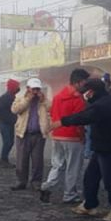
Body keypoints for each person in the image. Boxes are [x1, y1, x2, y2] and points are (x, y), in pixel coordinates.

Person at [52, 78, 111, 221]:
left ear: (92, 91)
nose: (85, 95)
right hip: (104, 146)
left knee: (110, 179)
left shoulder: (100, 106)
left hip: (108, 147)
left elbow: (83, 117)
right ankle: (90, 205)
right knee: (91, 176)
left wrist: (61, 122)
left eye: (87, 92)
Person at [38, 69, 89, 200]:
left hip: (57, 135)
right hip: (72, 137)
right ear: (78, 82)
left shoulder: (58, 96)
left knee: (57, 164)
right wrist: (82, 136)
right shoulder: (78, 100)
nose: (86, 85)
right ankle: (69, 194)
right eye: (85, 82)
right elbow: (79, 121)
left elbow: (54, 115)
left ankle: (48, 185)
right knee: (73, 166)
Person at [11, 78, 50, 191]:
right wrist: (27, 100)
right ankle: (21, 181)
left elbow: (51, 108)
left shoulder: (43, 100)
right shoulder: (20, 98)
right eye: (33, 89)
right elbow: (15, 110)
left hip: (38, 134)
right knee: (22, 159)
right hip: (23, 133)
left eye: (37, 89)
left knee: (37, 160)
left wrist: (43, 101)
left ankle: (36, 182)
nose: (35, 92)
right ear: (28, 89)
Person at [0, 79, 20, 168]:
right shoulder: (5, 97)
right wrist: (11, 119)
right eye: (17, 87)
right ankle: (3, 160)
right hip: (4, 124)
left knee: (10, 142)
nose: (18, 88)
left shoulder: (12, 97)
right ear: (13, 87)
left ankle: (4, 159)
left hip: (9, 124)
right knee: (7, 142)